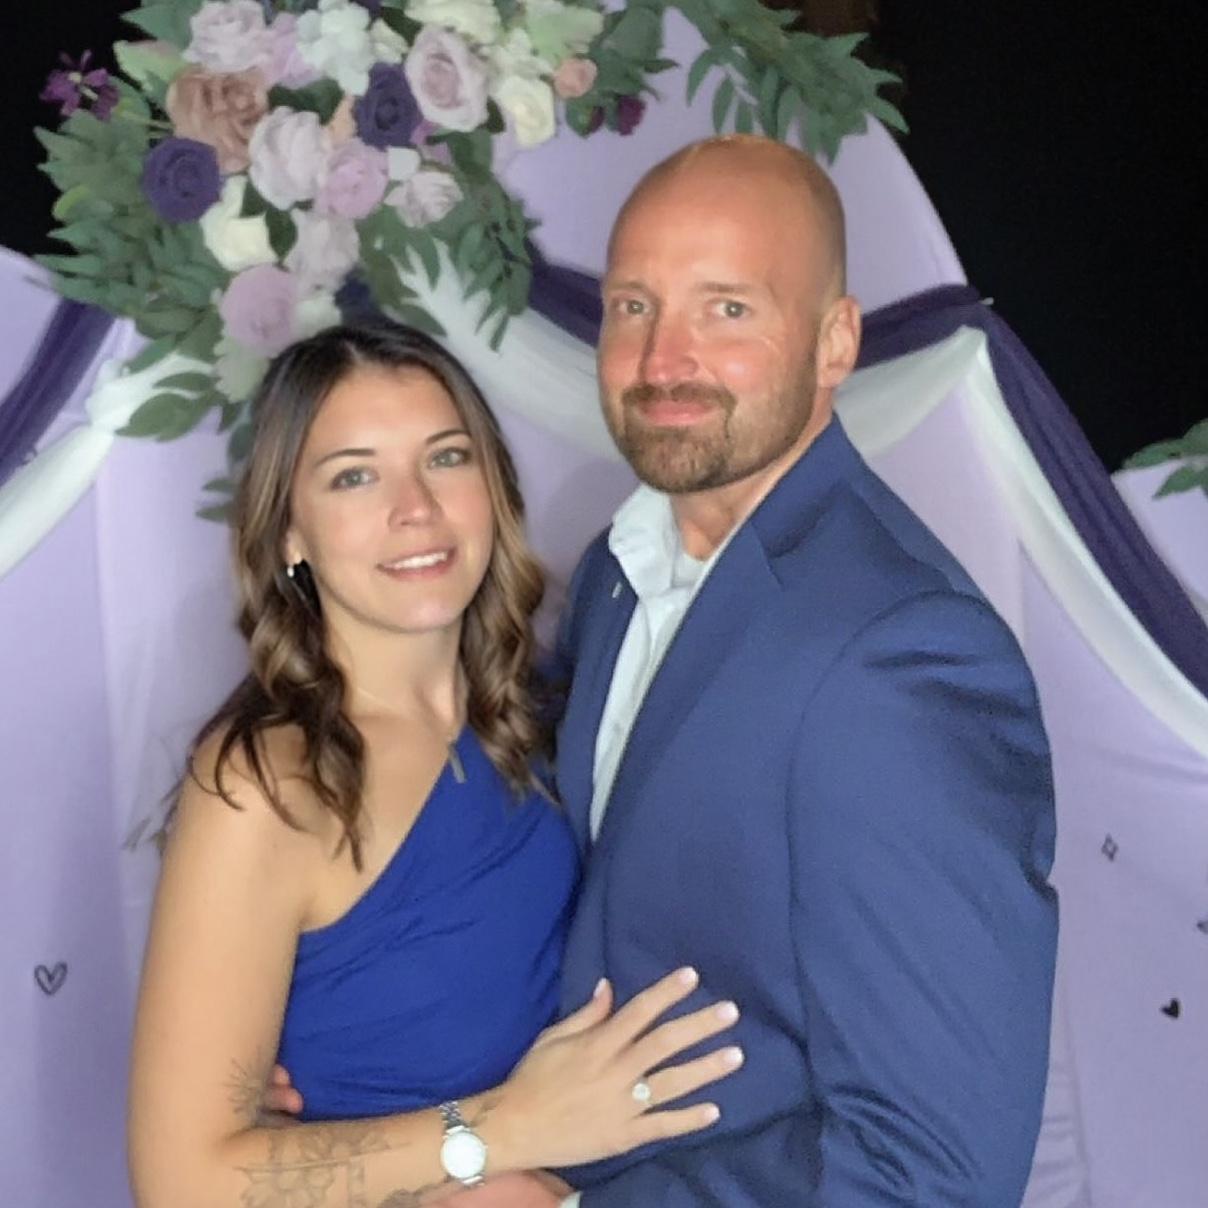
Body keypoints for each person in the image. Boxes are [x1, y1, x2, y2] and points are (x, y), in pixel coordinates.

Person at [264, 135, 1059, 1206]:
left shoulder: (900, 654)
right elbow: (564, 906)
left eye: (726, 309)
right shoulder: (616, 570)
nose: (663, 357)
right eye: (633, 306)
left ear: (833, 341)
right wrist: (326, 1033)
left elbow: (934, 1173)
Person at [126, 322, 743, 1207]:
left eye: (446, 458)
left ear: (493, 487)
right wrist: (506, 1128)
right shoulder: (268, 785)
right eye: (354, 476)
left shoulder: (551, 708)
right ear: (289, 532)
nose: (414, 507)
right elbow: (182, 1183)